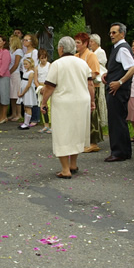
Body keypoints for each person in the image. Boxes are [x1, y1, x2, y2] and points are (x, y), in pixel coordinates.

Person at [39, 37, 94, 179]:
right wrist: (92, 101)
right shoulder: (82, 63)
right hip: (82, 100)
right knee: (76, 132)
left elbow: (50, 86)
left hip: (64, 102)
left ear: (61, 48)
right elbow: (90, 84)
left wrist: (44, 102)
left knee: (62, 134)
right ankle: (73, 164)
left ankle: (65, 169)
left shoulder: (57, 64)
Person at [103, 23, 134, 162]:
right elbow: (121, 67)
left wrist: (120, 82)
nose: (111, 35)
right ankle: (123, 151)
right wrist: (109, 74)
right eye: (110, 32)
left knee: (116, 120)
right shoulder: (118, 48)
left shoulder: (122, 49)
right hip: (116, 89)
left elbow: (133, 68)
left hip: (118, 91)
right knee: (118, 119)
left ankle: (119, 152)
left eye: (114, 32)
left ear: (122, 34)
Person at [75, 32, 103, 153]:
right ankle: (84, 140)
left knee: (92, 114)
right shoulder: (76, 56)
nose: (76, 45)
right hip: (79, 88)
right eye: (75, 42)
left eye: (78, 42)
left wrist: (81, 75)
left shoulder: (91, 56)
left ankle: (93, 142)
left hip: (91, 87)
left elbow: (95, 73)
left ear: (85, 43)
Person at [0, 36, 12, 124]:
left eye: (0, 41)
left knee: (4, 96)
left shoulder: (5, 52)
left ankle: (4, 116)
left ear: (4, 42)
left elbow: (5, 65)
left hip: (3, 76)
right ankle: (1, 115)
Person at [16, 56, 37, 130]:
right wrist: (19, 91)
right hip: (23, 90)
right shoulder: (25, 72)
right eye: (24, 64)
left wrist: (23, 92)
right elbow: (22, 82)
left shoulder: (31, 73)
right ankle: (25, 122)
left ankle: (26, 123)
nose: (25, 65)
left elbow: (28, 85)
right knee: (25, 107)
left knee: (28, 107)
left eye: (26, 64)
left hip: (28, 91)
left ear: (30, 64)